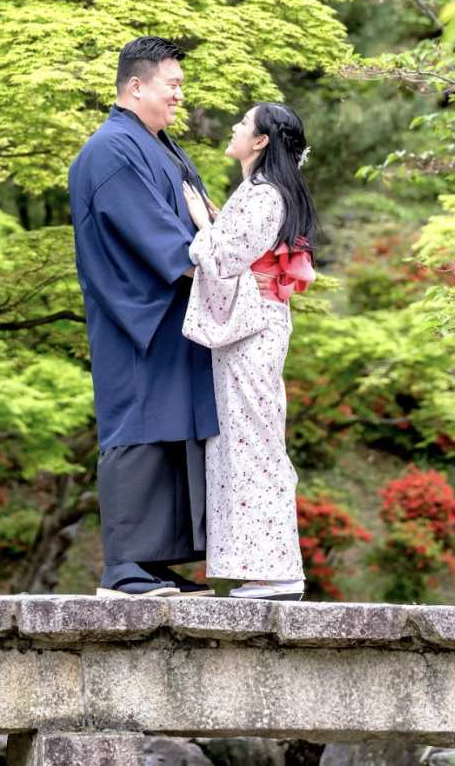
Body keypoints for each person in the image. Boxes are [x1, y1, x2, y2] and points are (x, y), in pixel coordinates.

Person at [68, 36, 219, 598]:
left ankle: (154, 563)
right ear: (136, 85)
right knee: (137, 431)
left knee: (173, 432)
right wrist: (211, 263)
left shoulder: (161, 146)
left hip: (174, 317)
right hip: (138, 316)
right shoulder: (111, 149)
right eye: (171, 86)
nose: (180, 96)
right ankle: (126, 568)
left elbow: (205, 221)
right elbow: (166, 238)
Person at [180, 102, 316, 601]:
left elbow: (222, 257)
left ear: (260, 142)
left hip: (252, 329)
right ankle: (265, 568)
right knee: (248, 440)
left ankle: (275, 570)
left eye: (243, 124)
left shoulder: (263, 196)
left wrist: (202, 222)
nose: (236, 128)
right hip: (259, 325)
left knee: (252, 442)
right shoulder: (264, 194)